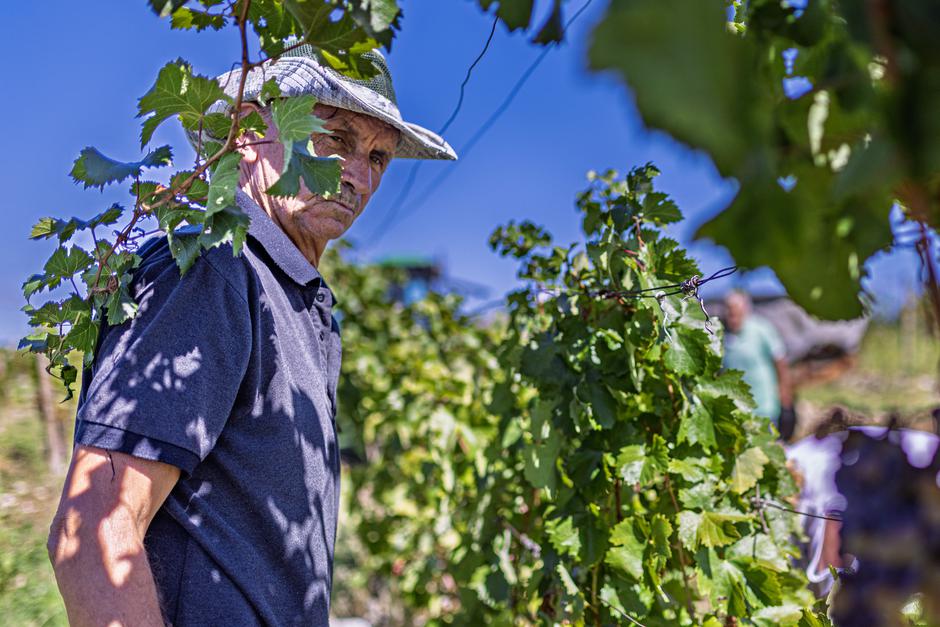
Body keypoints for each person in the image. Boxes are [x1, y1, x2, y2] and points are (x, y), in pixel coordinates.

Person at [46, 45, 456, 626]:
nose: (360, 177)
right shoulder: (213, 272)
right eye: (335, 138)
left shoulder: (286, 297)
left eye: (380, 156)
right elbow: (93, 534)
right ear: (243, 131)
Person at [722, 290, 795, 439]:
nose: (733, 316)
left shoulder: (761, 329)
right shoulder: (722, 334)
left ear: (746, 310)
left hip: (764, 406)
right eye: (730, 312)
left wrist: (785, 396)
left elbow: (780, 362)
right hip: (737, 409)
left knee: (766, 447)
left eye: (737, 312)